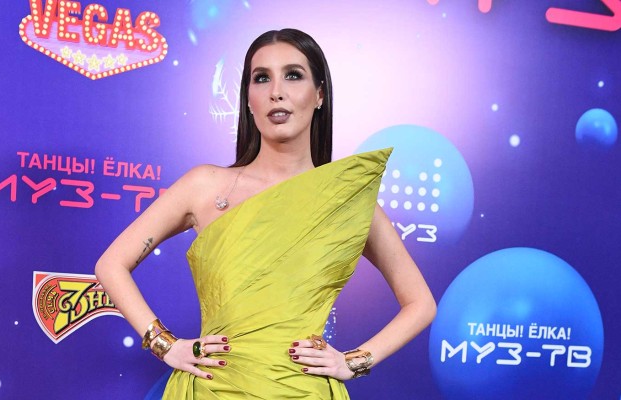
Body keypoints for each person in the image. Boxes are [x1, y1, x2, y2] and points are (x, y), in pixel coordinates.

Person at [95, 28, 436, 399]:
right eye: (261, 78)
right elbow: (111, 264)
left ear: (319, 95)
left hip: (303, 390)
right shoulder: (205, 185)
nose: (276, 91)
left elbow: (420, 304)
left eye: (293, 75)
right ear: (248, 99)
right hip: (212, 389)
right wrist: (165, 344)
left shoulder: (349, 201)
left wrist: (353, 361)